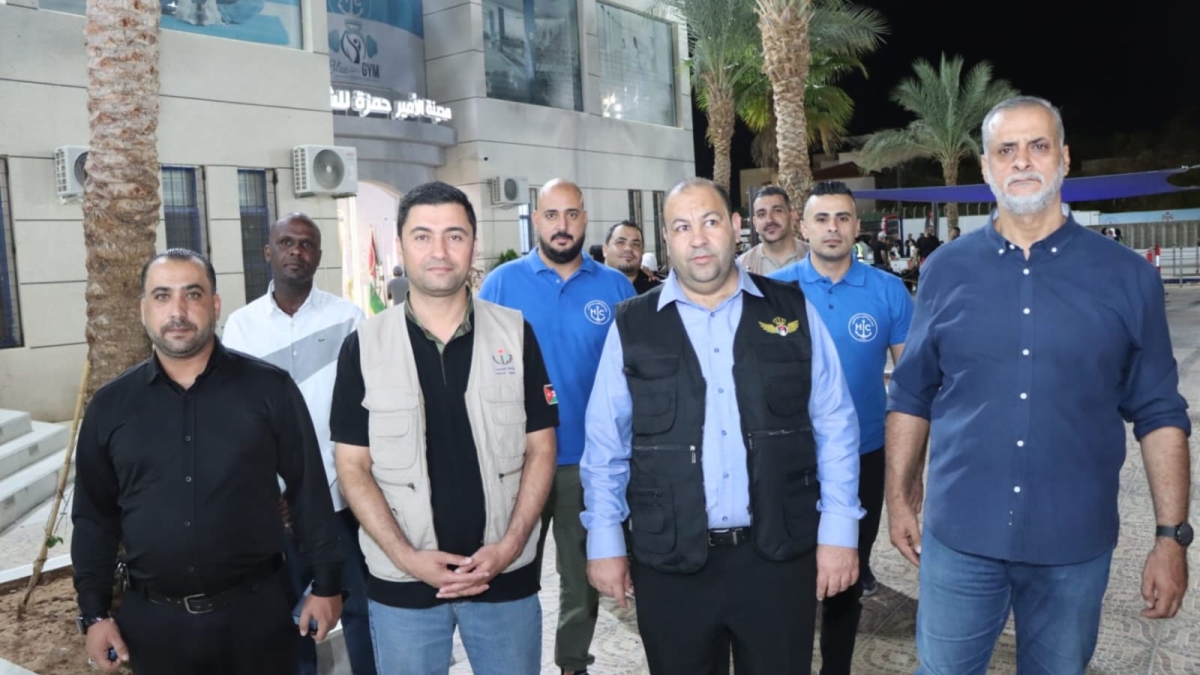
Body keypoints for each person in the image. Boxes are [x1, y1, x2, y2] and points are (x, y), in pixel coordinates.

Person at [887, 96, 1193, 675]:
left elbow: (1160, 414)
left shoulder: (1128, 277)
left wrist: (1170, 537)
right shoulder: (944, 271)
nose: (1022, 161)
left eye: (1038, 146)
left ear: (1065, 158)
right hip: (960, 538)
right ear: (986, 167)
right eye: (1006, 150)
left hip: (1073, 545)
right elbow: (910, 393)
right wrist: (898, 498)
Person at [582, 178, 863, 674]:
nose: (698, 238)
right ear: (666, 239)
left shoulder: (792, 309)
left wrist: (840, 531)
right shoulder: (632, 325)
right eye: (681, 227)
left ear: (735, 227)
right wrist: (605, 539)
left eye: (710, 222)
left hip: (778, 557)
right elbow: (606, 445)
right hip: (671, 564)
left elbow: (834, 424)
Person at [72, 249, 344, 675]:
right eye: (162, 296)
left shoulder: (270, 390)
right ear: (143, 309)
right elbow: (94, 518)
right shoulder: (110, 407)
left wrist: (328, 585)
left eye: (192, 294)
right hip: (155, 629)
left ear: (215, 305)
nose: (177, 311)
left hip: (258, 622)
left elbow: (308, 489)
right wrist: (93, 613)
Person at [331, 181, 559, 674]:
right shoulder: (364, 346)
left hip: (504, 578)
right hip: (403, 586)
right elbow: (351, 467)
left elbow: (542, 449)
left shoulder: (516, 333)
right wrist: (406, 557)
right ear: (400, 246)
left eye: (454, 236)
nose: (439, 251)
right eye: (423, 236)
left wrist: (509, 547)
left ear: (473, 244)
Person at [480, 178, 635, 675]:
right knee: (510, 571)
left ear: (585, 219)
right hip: (514, 459)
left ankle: (572, 663)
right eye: (551, 215)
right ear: (536, 220)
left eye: (571, 214)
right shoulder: (501, 285)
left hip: (586, 462)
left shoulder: (616, 288)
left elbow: (635, 373)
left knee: (581, 576)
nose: (562, 225)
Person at [768, 181, 914, 675]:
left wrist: (908, 472)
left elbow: (913, 386)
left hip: (863, 457)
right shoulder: (774, 292)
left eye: (843, 218)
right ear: (803, 227)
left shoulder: (888, 291)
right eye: (822, 218)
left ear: (856, 226)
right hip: (789, 459)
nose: (833, 228)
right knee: (786, 575)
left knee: (847, 574)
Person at [221, 213, 374, 675]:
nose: (296, 252)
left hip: (340, 499)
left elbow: (362, 413)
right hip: (273, 510)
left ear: (319, 256)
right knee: (287, 620)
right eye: (286, 242)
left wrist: (325, 485)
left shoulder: (348, 319)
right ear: (268, 252)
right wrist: (273, 490)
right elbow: (237, 420)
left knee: (361, 610)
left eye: (306, 245)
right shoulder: (242, 327)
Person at [738, 185, 810, 274]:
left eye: (777, 211)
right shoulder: (741, 267)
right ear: (755, 223)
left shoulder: (816, 258)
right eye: (761, 214)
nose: (769, 220)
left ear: (792, 216)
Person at [603, 220, 661, 294]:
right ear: (605, 249)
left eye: (635, 244)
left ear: (642, 251)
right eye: (620, 242)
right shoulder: (590, 285)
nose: (628, 248)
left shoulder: (659, 294)